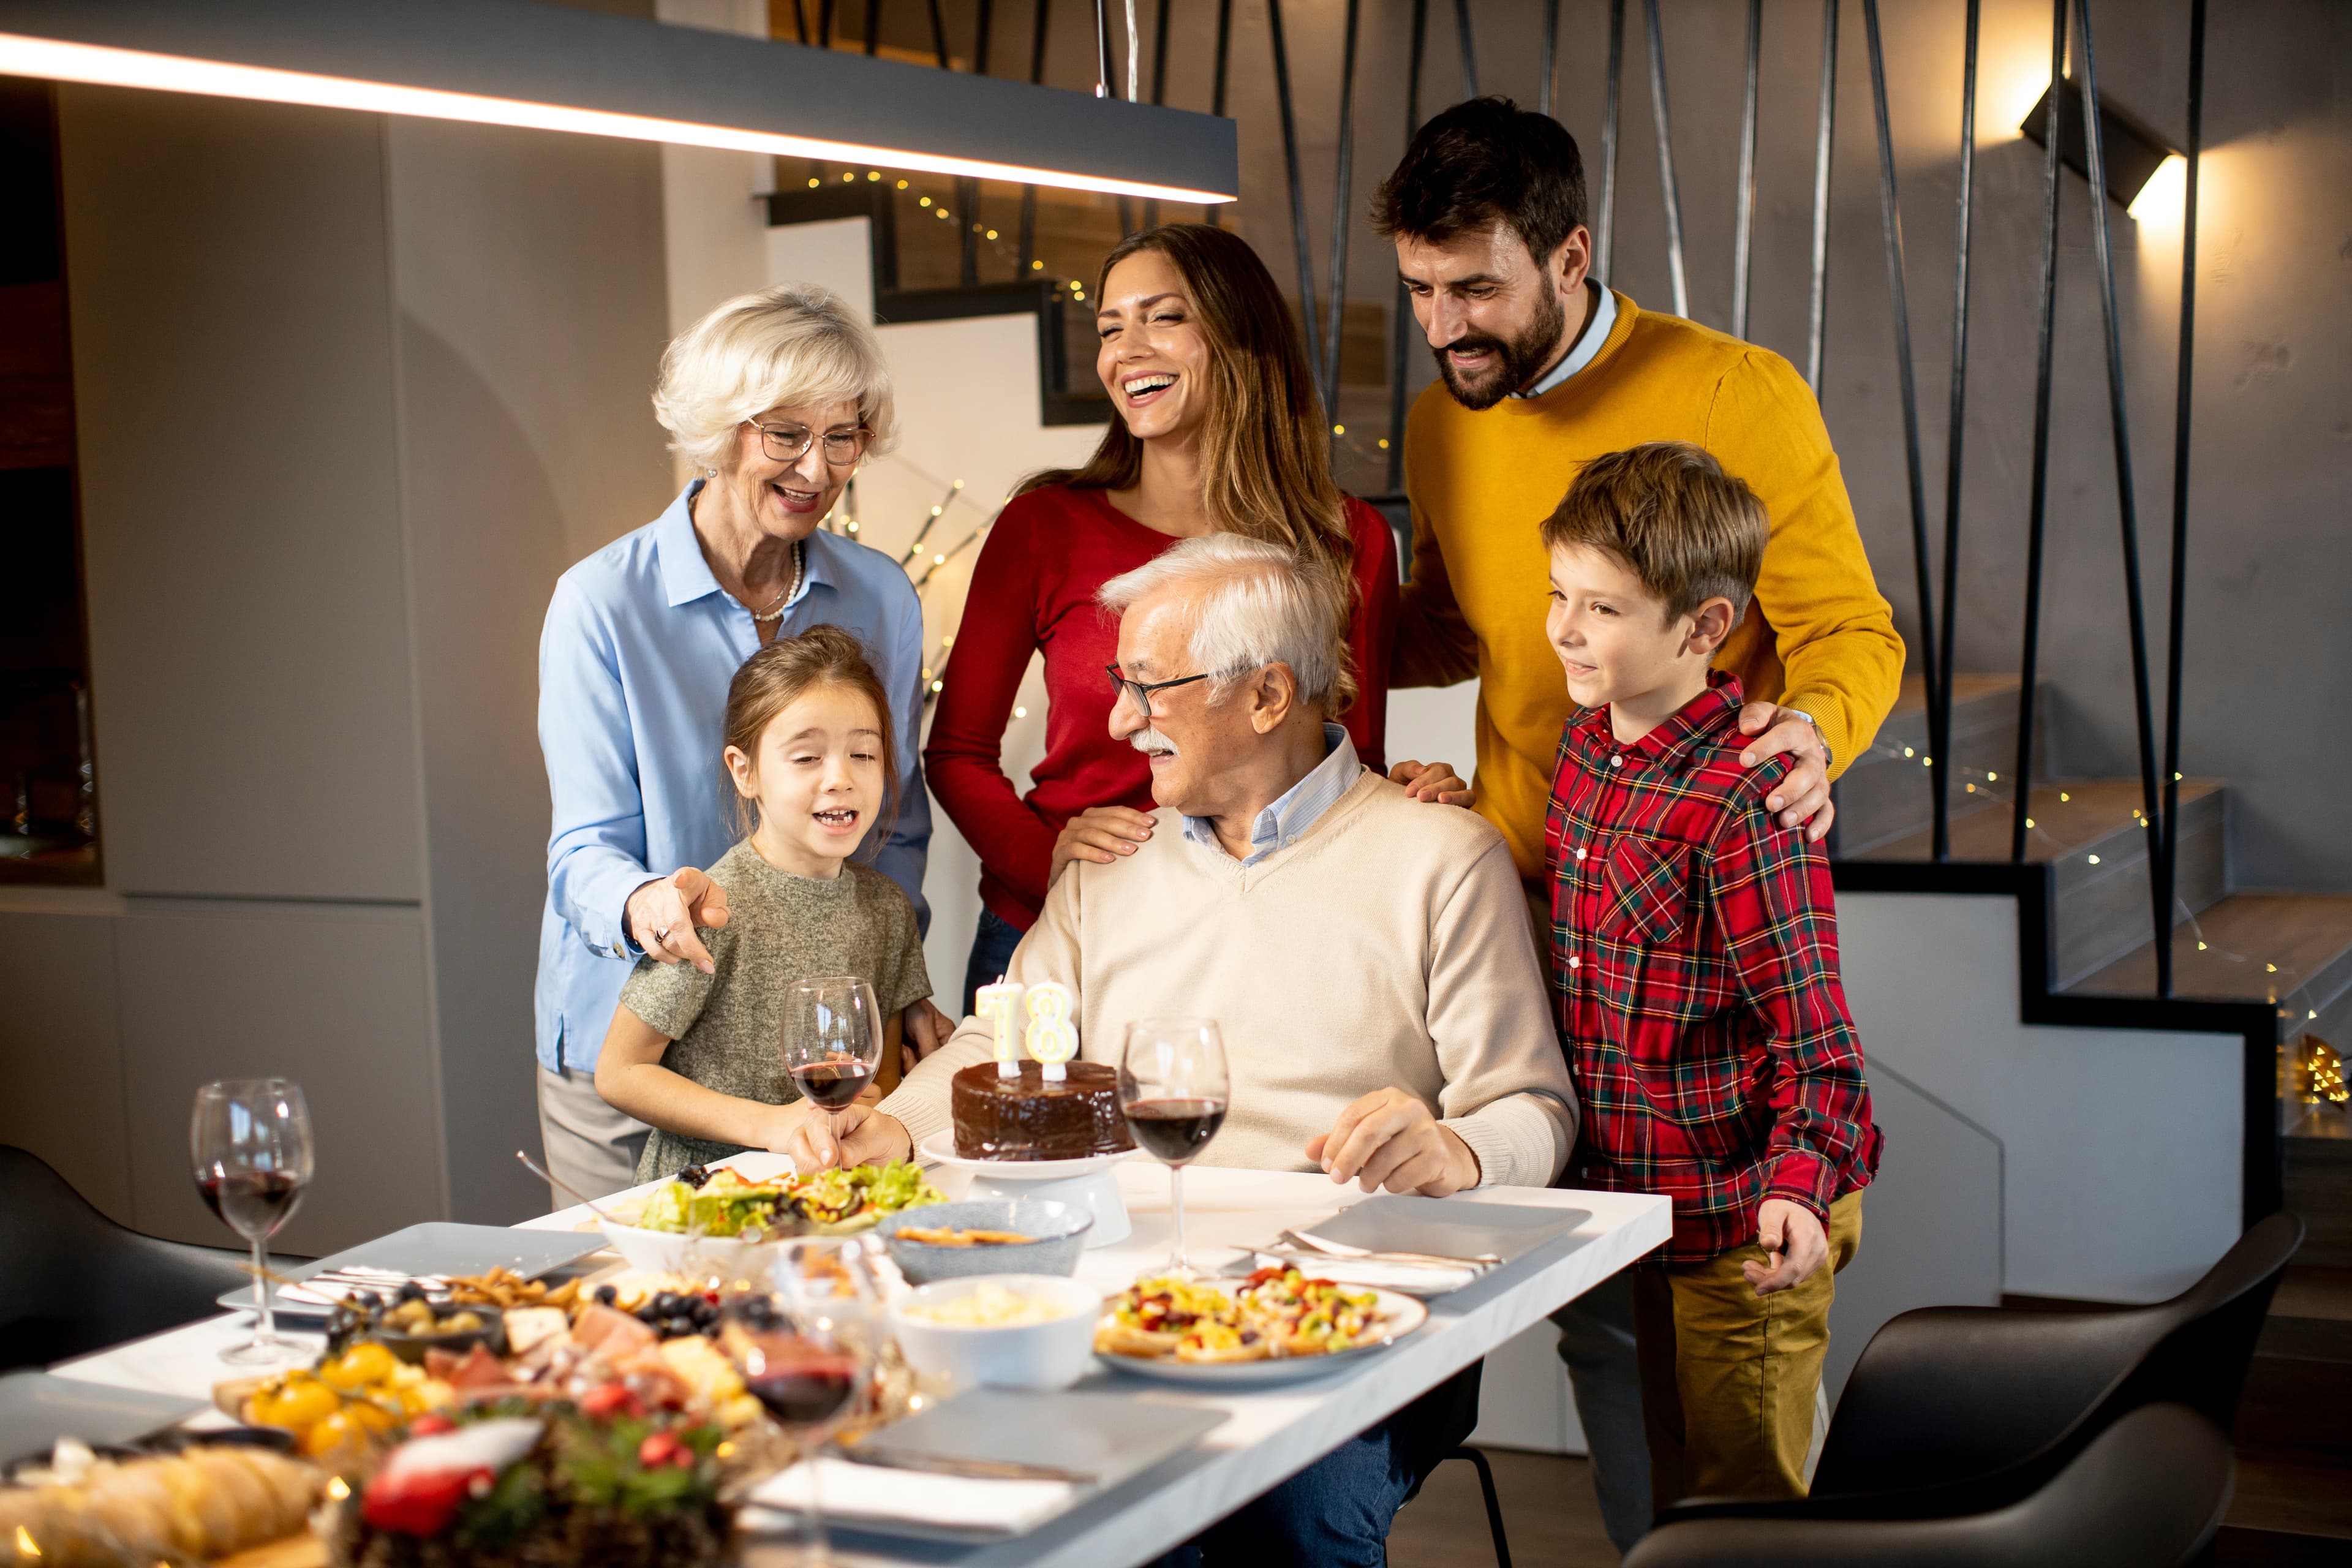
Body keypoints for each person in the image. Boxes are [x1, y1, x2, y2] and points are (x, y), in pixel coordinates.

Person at [794, 533, 1578, 1567]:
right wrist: (892, 1123)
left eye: (1150, 690)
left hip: (1339, 1322)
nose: (1122, 722)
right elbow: (1002, 1037)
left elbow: (1534, 1109)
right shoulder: (1108, 867)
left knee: (1292, 1523)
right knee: (1058, 1511)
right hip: (1125, 1305)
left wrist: (1456, 1149)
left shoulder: (1443, 858)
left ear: (1266, 697)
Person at [1370, 97, 1904, 1545]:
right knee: (1600, 1315)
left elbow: (1850, 625)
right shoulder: (1442, 415)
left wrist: (1809, 728)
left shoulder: (1740, 393)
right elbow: (1455, 626)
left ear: (1569, 253)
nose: (1445, 328)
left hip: (1697, 899)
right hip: (1543, 920)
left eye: (1476, 288)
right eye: (1420, 292)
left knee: (1726, 1341)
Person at [924, 222, 1466, 1016]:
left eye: (1163, 318)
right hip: (1054, 937)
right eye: (1111, 328)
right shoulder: (1043, 527)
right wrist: (1053, 870)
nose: (1126, 349)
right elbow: (959, 751)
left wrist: (1414, 798)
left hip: (1260, 932)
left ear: (1236, 332)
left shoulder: (1344, 539)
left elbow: (1352, 758)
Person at [534, 282, 943, 1202]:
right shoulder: (602, 602)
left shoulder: (880, 595)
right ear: (722, 428)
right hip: (638, 1051)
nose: (819, 467)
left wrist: (898, 976)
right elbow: (583, 847)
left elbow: (898, 824)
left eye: (844, 437)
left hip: (804, 1060)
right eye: (786, 434)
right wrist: (649, 905)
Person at [1540, 443, 1882, 1509]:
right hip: (1631, 1204)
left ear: (1702, 628)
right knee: (1655, 1488)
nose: (1563, 629)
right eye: (1559, 594)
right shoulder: (1584, 751)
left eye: (1602, 609)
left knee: (1750, 1508)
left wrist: (1798, 1183)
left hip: (1746, 1216)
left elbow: (1818, 1038)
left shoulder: (1750, 796)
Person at [593, 627, 931, 1182]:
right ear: (745, 772)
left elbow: (883, 1081)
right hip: (706, 1199)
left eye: (864, 754)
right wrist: (772, 1127)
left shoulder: (889, 910)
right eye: (806, 757)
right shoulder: (712, 908)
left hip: (827, 1193)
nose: (840, 778)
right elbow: (621, 1071)